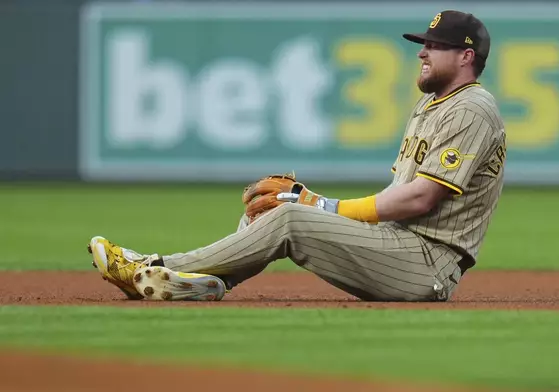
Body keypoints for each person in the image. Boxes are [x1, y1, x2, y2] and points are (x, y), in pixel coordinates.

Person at [87, 9, 506, 303]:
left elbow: (420, 199)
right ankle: (199, 282)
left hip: (427, 262)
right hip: (399, 244)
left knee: (290, 214)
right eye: (424, 43)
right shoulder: (431, 105)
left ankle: (155, 265)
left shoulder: (472, 107)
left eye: (435, 45)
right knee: (275, 207)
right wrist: (314, 202)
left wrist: (320, 205)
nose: (422, 51)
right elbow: (399, 197)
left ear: (466, 56)